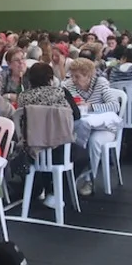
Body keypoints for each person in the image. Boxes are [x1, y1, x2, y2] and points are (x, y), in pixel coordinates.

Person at [16, 62, 86, 206]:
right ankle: (56, 191)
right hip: (59, 149)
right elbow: (76, 115)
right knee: (84, 156)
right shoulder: (61, 93)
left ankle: (44, 188)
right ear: (50, 78)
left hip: (32, 152)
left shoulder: (23, 97)